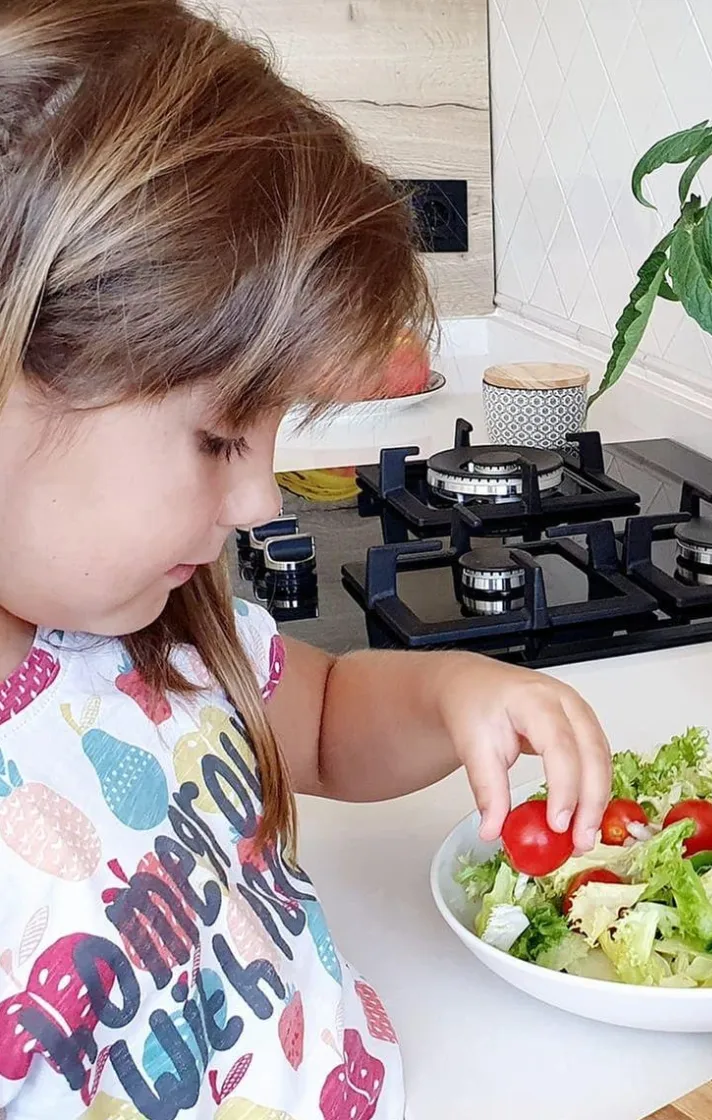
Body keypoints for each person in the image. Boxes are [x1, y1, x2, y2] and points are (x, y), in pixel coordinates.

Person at [0, 3, 612, 1117]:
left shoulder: (147, 635)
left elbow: (321, 721)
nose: (258, 499)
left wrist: (456, 693)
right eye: (217, 438)